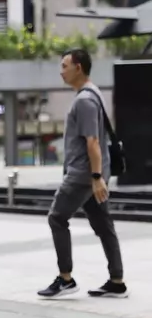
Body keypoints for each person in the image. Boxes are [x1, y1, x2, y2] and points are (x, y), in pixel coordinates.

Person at [37, 49, 128, 299]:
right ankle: (117, 280)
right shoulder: (94, 94)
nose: (61, 70)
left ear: (78, 67)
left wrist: (96, 178)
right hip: (93, 173)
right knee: (103, 224)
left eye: (65, 65)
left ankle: (66, 278)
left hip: (83, 174)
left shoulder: (85, 101)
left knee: (57, 218)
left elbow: (93, 142)